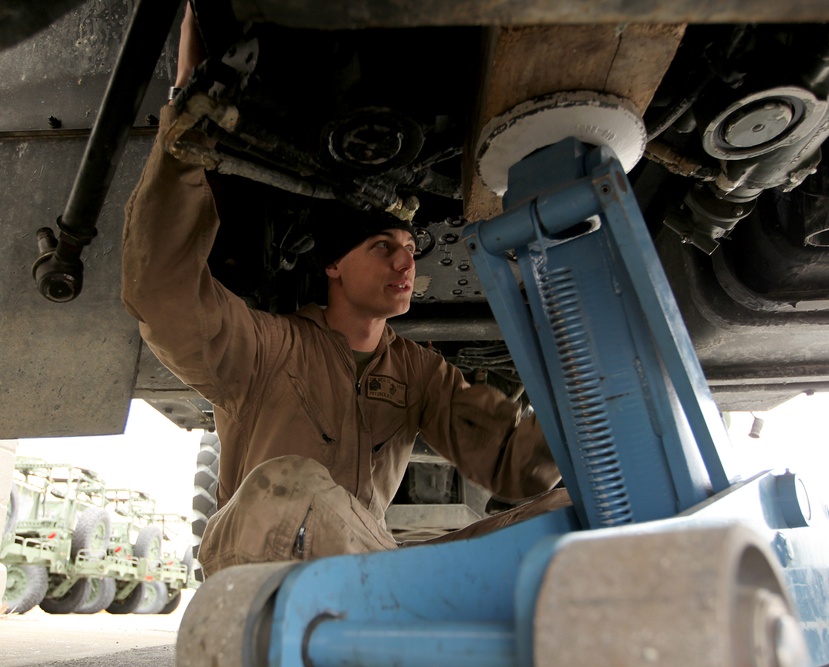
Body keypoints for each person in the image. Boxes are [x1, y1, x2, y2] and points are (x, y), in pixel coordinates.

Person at [121, 4, 565, 577]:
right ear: (333, 265)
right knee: (292, 481)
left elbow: (514, 467)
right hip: (267, 565)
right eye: (383, 246)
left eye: (410, 248)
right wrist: (180, 152)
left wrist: (586, 396)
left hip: (362, 565)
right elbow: (164, 294)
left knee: (563, 517)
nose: (405, 261)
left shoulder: (418, 375)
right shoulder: (266, 349)